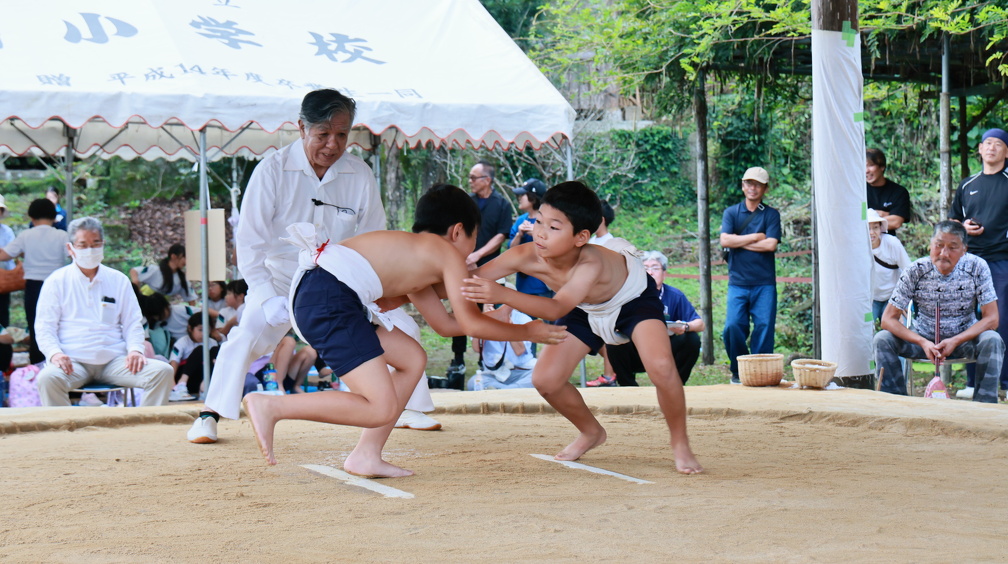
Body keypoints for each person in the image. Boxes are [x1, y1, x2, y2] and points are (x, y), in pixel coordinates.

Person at [243, 184, 566, 474]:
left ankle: (366, 455)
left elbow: (446, 325)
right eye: (474, 239)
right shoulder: (444, 253)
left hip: (324, 296)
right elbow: (470, 322)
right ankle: (273, 406)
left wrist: (499, 315)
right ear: (458, 231)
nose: (469, 252)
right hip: (329, 300)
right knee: (379, 408)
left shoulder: (414, 257)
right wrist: (529, 332)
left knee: (411, 358)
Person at [187, 89, 440, 444]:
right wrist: (264, 297)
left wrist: (378, 292)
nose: (332, 145)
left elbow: (375, 238)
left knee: (402, 328)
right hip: (278, 279)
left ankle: (407, 406)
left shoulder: (359, 173)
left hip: (343, 282)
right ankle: (209, 413)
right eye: (323, 134)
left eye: (342, 134)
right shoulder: (272, 170)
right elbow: (250, 243)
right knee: (246, 336)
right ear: (302, 127)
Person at [462, 181, 702, 474]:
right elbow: (469, 279)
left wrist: (503, 295)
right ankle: (591, 432)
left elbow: (555, 308)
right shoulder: (524, 255)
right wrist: (425, 279)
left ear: (581, 237)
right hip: (584, 308)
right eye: (539, 221)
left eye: (554, 227)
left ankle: (680, 443)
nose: (541, 232)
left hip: (632, 299)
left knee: (661, 367)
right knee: (546, 379)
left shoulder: (591, 262)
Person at [34, 217, 173, 407]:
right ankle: (64, 425)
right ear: (70, 248)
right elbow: (44, 327)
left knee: (162, 372)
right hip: (72, 363)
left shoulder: (118, 280)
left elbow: (133, 322)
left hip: (115, 361)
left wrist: (135, 350)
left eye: (95, 244)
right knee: (47, 378)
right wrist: (55, 354)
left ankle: (147, 422)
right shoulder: (56, 281)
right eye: (83, 245)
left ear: (103, 245)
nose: (90, 250)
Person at [874, 221, 1003, 403]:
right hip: (922, 340)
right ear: (930, 245)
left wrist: (956, 340)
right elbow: (888, 319)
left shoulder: (977, 267)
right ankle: (895, 404)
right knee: (882, 339)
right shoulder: (915, 270)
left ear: (964, 249)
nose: (944, 253)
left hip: (964, 341)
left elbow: (992, 318)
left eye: (953, 247)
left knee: (992, 340)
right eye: (939, 245)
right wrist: (922, 342)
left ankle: (984, 406)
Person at [442, 160, 514, 385]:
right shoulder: (466, 203)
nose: (470, 181)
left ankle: (489, 360)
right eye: (470, 177)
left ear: (487, 180)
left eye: (474, 177)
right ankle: (458, 358)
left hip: (491, 268)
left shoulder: (502, 204)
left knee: (489, 312)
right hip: (464, 266)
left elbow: (501, 235)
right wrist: (463, 257)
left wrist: (478, 255)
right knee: (460, 308)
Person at [948, 127, 1008, 397]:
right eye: (987, 143)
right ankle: (973, 383)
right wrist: (963, 228)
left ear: (1006, 151)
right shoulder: (967, 184)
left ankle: (1004, 383)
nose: (992, 148)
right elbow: (952, 221)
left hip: (1002, 260)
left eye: (998, 144)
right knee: (968, 319)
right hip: (970, 261)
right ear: (980, 149)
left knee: (1000, 320)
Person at [719, 166, 781, 384]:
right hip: (738, 282)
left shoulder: (771, 214)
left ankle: (759, 372)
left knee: (764, 327)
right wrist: (755, 237)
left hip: (764, 283)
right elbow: (725, 240)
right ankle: (738, 370)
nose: (753, 188)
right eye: (749, 183)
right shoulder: (732, 213)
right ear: (743, 185)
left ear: (765, 188)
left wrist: (738, 242)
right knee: (732, 326)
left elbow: (770, 245)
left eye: (758, 184)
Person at [606, 250, 704, 386]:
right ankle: (628, 386)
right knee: (613, 340)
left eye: (655, 268)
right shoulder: (627, 295)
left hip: (666, 349)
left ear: (664, 274)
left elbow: (700, 324)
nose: (650, 272)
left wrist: (685, 326)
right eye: (645, 268)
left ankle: (676, 385)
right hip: (636, 350)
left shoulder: (675, 295)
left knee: (691, 339)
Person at [0, 198, 70, 364]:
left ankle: (38, 364)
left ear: (31, 217)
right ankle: (60, 361)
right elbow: (74, 255)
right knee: (60, 325)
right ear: (54, 217)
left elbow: (4, 255)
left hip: (34, 287)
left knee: (36, 326)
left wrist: (25, 252)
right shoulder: (62, 235)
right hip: (58, 285)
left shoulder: (26, 235)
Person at [467, 302, 537, 391]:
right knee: (473, 382)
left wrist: (508, 324)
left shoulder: (523, 319)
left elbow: (519, 351)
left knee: (538, 378)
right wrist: (484, 320)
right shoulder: (480, 319)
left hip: (522, 371)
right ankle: (512, 390)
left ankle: (501, 391)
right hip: (494, 374)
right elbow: (477, 348)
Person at [586, 200, 619, 387]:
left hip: (606, 298)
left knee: (605, 336)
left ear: (602, 219)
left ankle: (609, 376)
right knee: (594, 336)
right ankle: (612, 371)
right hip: (591, 298)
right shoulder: (591, 241)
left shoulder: (610, 243)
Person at [507, 178, 552, 300]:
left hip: (544, 284)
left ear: (533, 197)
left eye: (523, 195)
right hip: (523, 285)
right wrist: (519, 235)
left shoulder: (548, 220)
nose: (519, 198)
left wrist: (536, 233)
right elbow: (511, 251)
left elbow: (556, 246)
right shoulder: (521, 220)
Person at [867, 208, 912, 322]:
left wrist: (902, 301)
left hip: (894, 296)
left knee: (898, 328)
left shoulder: (892, 243)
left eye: (875, 227)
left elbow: (909, 271)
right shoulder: (857, 248)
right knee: (864, 328)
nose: (872, 232)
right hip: (870, 298)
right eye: (868, 228)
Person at [169, 312, 219, 402]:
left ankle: (205, 388)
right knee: (201, 350)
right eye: (200, 330)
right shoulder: (182, 342)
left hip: (203, 378)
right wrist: (172, 383)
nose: (204, 333)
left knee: (215, 350)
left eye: (207, 330)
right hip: (186, 378)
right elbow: (174, 362)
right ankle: (181, 384)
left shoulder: (212, 342)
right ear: (190, 328)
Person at [129, 243, 198, 304]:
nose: (186, 261)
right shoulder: (155, 270)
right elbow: (134, 271)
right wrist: (136, 285)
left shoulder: (182, 279)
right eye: (184, 257)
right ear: (173, 256)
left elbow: (191, 299)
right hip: (144, 303)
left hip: (161, 308)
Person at [866, 148, 912, 235]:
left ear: (882, 167)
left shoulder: (898, 192)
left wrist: (868, 218)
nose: (866, 170)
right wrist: (884, 215)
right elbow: (857, 219)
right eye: (863, 166)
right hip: (861, 240)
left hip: (887, 241)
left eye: (871, 165)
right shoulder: (859, 191)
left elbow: (896, 222)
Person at [0, 195, 15, 371]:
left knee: (3, 321)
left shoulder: (7, 231)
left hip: (3, 285)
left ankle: (3, 364)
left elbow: (11, 254)